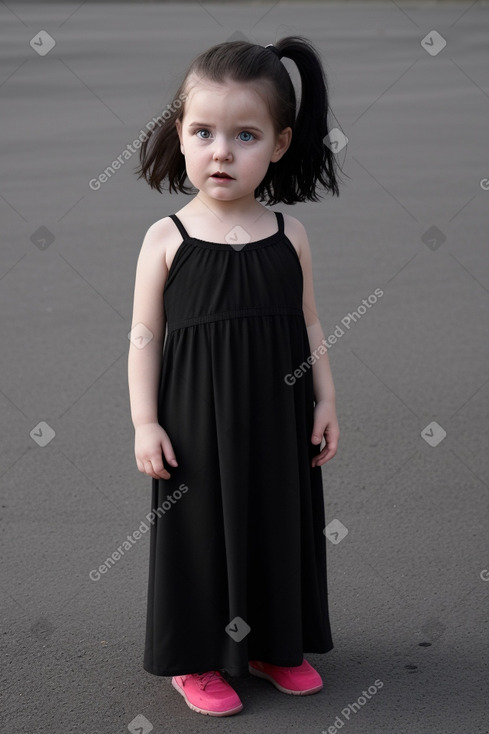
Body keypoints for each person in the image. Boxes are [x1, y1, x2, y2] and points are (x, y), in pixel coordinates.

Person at [128, 35, 343, 718]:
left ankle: (273, 643)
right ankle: (194, 660)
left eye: (244, 135)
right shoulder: (167, 238)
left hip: (279, 416)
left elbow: (309, 326)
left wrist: (327, 400)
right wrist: (144, 421)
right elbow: (143, 336)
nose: (221, 151)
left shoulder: (289, 234)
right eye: (203, 132)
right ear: (180, 135)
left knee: (280, 520)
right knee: (198, 531)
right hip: (194, 420)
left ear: (278, 145)